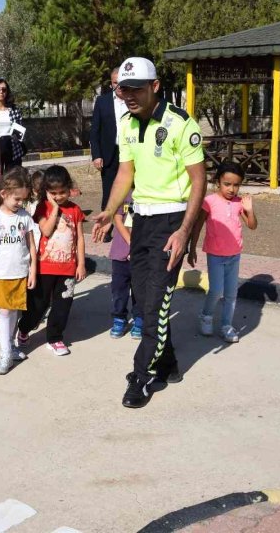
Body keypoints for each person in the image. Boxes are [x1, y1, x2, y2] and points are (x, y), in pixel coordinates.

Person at [91, 57, 206, 409]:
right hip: (141, 221)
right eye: (123, 89)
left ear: (155, 87)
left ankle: (141, 377)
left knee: (155, 304)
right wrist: (110, 212)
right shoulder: (125, 123)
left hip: (172, 222)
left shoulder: (180, 124)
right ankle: (168, 362)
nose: (127, 95)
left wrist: (185, 232)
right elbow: (126, 172)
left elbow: (200, 181)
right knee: (143, 299)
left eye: (135, 89)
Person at [16, 165, 86, 356]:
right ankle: (24, 328)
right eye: (53, 193)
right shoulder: (43, 207)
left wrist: (81, 264)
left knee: (62, 305)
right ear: (46, 192)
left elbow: (80, 238)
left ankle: (54, 338)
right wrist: (54, 207)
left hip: (68, 268)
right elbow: (46, 230)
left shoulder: (76, 210)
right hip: (44, 267)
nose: (58, 196)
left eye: (62, 192)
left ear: (69, 188)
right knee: (38, 305)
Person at [188, 162, 258, 343]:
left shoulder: (239, 203)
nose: (231, 189)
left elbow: (252, 226)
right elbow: (197, 226)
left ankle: (227, 325)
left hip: (234, 255)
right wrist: (192, 248)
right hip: (215, 255)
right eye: (227, 184)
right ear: (218, 181)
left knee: (231, 293)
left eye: (236, 185)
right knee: (216, 290)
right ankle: (206, 316)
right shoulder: (209, 202)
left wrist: (250, 211)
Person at [0, 167, 37, 375]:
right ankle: (5, 352)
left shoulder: (24, 216)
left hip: (19, 272)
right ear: (3, 194)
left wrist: (33, 270)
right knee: (4, 311)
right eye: (17, 199)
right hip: (0, 273)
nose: (20, 204)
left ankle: (10, 346)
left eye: (23, 200)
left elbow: (31, 246)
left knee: (13, 310)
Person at [90, 67, 128, 241]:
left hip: (131, 154)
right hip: (109, 155)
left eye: (122, 82)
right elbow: (94, 131)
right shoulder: (102, 102)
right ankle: (107, 227)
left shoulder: (134, 100)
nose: (119, 86)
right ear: (111, 83)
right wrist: (96, 155)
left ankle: (129, 228)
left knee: (131, 193)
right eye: (115, 83)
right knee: (109, 192)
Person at [109, 188, 142, 340]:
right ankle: (119, 318)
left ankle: (139, 320)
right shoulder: (123, 193)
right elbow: (117, 218)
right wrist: (131, 244)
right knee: (119, 290)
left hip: (142, 255)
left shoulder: (151, 194)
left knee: (140, 290)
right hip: (120, 253)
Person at [0, 78, 25, 173]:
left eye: (4, 90)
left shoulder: (15, 110)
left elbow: (20, 130)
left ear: (7, 92)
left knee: (13, 180)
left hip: (13, 148)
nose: (1, 92)